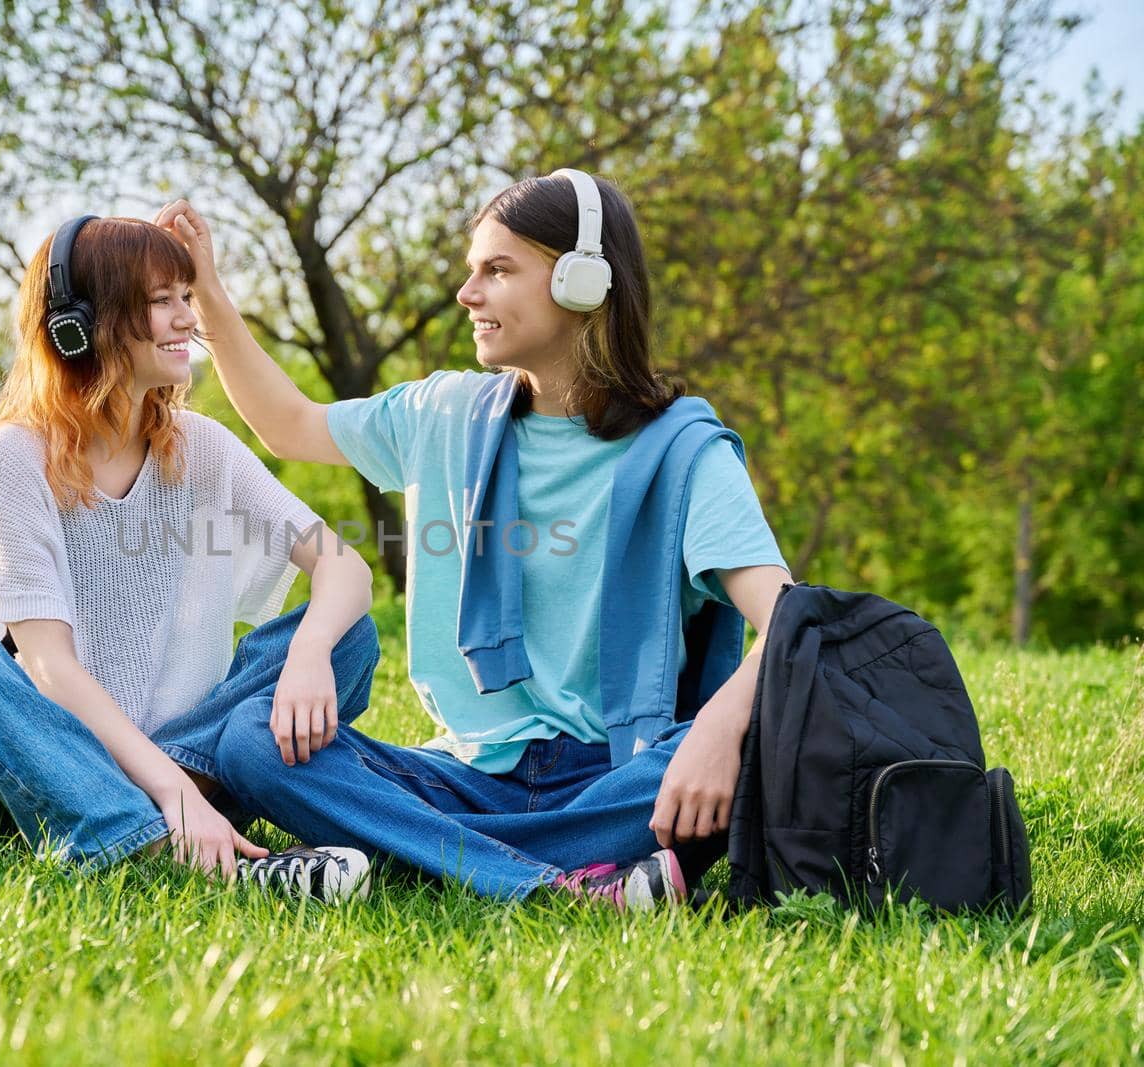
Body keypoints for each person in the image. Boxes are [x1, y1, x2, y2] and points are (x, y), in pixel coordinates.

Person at [155, 169, 794, 909]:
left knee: (748, 748)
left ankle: (421, 850)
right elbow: (288, 423)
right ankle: (561, 885)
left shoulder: (686, 453)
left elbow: (787, 623)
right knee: (249, 741)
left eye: (497, 269)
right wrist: (207, 295)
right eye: (471, 271)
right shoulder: (442, 415)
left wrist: (718, 728)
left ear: (585, 282)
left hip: (619, 772)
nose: (468, 294)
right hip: (461, 773)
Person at [0, 213, 377, 902]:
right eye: (162, 301)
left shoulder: (200, 444)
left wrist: (307, 653)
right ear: (80, 324)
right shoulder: (13, 457)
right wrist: (175, 793)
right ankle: (185, 853)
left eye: (188, 296)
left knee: (344, 634)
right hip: (45, 761)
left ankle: (157, 828)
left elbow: (344, 564)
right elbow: (47, 666)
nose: (188, 318)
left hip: (176, 760)